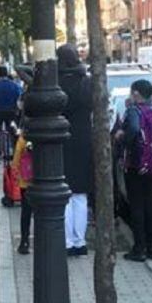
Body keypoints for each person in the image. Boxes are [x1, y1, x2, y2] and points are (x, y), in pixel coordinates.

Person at [116, 80, 152, 262]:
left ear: (135, 93)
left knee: (136, 205)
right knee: (151, 204)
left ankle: (139, 248)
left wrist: (122, 137)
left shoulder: (134, 111)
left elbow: (134, 129)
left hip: (135, 164)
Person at [57, 45, 93, 257]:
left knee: (63, 194)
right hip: (83, 139)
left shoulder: (55, 82)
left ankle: (67, 241)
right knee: (80, 194)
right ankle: (80, 241)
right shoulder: (85, 81)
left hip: (60, 140)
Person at [0, 66, 22, 163]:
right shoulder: (14, 85)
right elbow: (19, 97)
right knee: (13, 133)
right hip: (11, 112)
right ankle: (14, 153)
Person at [11, 126, 34, 254]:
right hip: (41, 181)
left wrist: (15, 172)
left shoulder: (23, 139)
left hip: (25, 181)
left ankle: (24, 241)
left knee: (26, 212)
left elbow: (16, 160)